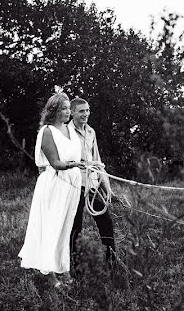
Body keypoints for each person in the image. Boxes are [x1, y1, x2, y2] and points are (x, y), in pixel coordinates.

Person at [18, 92, 83, 284]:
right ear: (53, 110)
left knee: (66, 227)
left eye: (68, 108)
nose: (68, 112)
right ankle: (50, 274)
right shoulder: (47, 131)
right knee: (52, 227)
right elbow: (55, 162)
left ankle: (63, 270)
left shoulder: (70, 130)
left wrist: (87, 164)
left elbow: (75, 157)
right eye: (63, 108)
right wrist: (74, 165)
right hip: (55, 183)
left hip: (71, 184)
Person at [68, 97, 117, 265]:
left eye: (87, 110)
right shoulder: (66, 132)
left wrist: (107, 189)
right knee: (76, 228)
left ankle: (112, 261)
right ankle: (76, 266)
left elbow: (98, 161)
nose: (85, 114)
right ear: (72, 112)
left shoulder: (91, 132)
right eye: (81, 111)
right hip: (75, 185)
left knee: (106, 222)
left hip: (93, 185)